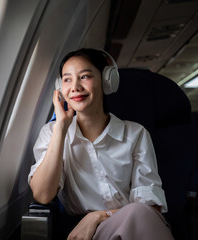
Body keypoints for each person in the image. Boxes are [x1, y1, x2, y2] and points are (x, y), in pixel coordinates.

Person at [28, 48, 174, 240]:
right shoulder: (52, 133)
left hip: (134, 225)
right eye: (67, 79)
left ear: (107, 81)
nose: (75, 87)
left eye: (85, 76)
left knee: (140, 214)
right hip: (82, 233)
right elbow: (43, 195)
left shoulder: (135, 134)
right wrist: (61, 128)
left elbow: (149, 206)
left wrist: (98, 216)